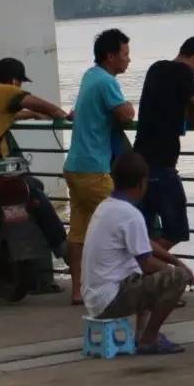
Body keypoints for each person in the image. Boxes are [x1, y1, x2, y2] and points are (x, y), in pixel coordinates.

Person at [82, 150, 194, 355]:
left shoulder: (106, 206)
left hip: (95, 297)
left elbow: (146, 243)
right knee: (175, 278)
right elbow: (147, 263)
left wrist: (176, 261)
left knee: (147, 275)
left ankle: (141, 334)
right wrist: (176, 273)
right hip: (110, 300)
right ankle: (149, 339)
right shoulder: (130, 214)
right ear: (142, 183)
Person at [0, 57, 69, 256]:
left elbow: (2, 114)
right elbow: (45, 106)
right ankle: (62, 246)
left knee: (32, 187)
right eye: (20, 83)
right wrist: (65, 116)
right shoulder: (6, 91)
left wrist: (31, 115)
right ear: (14, 81)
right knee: (33, 192)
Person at [64, 29, 135, 305]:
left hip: (74, 166)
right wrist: (129, 105)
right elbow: (125, 116)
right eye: (125, 54)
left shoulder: (89, 75)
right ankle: (136, 288)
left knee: (79, 232)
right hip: (94, 169)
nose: (128, 59)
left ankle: (78, 291)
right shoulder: (107, 82)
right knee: (124, 223)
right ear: (110, 56)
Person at [132, 35, 194, 251]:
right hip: (162, 165)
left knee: (142, 230)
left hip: (139, 163)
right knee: (176, 231)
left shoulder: (155, 68)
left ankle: (135, 264)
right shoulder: (183, 72)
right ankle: (136, 262)